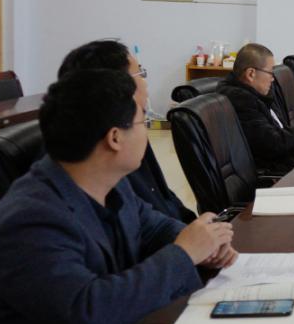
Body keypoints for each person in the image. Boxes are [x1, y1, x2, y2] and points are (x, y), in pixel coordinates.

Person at [0, 70, 237, 324]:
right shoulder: (28, 220)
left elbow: (152, 226)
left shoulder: (110, 184)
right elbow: (87, 314)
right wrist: (185, 254)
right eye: (142, 121)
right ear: (114, 138)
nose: (147, 132)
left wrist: (204, 244)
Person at [58, 39, 195, 222]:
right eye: (140, 74)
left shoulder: (130, 135)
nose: (145, 83)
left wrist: (195, 227)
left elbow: (163, 200)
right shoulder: (103, 167)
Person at [218, 43, 294, 174]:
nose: (272, 79)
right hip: (275, 173)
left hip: (286, 162)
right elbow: (271, 142)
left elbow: (278, 130)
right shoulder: (241, 100)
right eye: (270, 73)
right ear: (251, 74)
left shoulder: (255, 94)